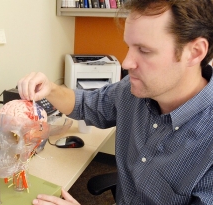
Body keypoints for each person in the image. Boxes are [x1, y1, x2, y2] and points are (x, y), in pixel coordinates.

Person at [17, 0, 213, 204]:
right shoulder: (132, 90)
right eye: (129, 46)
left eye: (144, 50)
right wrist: (50, 88)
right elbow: (85, 104)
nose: (126, 63)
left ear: (195, 52)